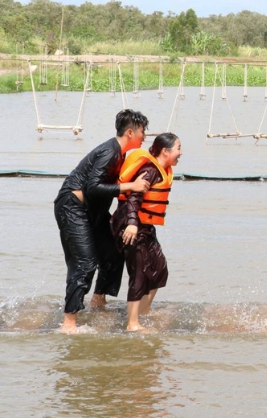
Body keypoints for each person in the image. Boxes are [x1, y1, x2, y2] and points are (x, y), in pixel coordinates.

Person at [54, 109, 150, 333]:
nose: (145, 136)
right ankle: (69, 322)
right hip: (72, 207)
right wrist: (130, 186)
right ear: (130, 132)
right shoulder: (109, 152)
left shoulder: (121, 154)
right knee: (85, 263)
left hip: (92, 211)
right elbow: (92, 187)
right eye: (143, 132)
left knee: (114, 250)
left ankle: (98, 300)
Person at [111, 133, 181, 332]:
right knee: (139, 271)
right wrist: (132, 224)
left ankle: (144, 311)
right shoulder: (150, 170)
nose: (180, 152)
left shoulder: (162, 170)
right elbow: (133, 199)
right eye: (178, 148)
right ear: (165, 151)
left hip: (145, 227)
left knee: (160, 268)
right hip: (130, 226)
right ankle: (132, 324)